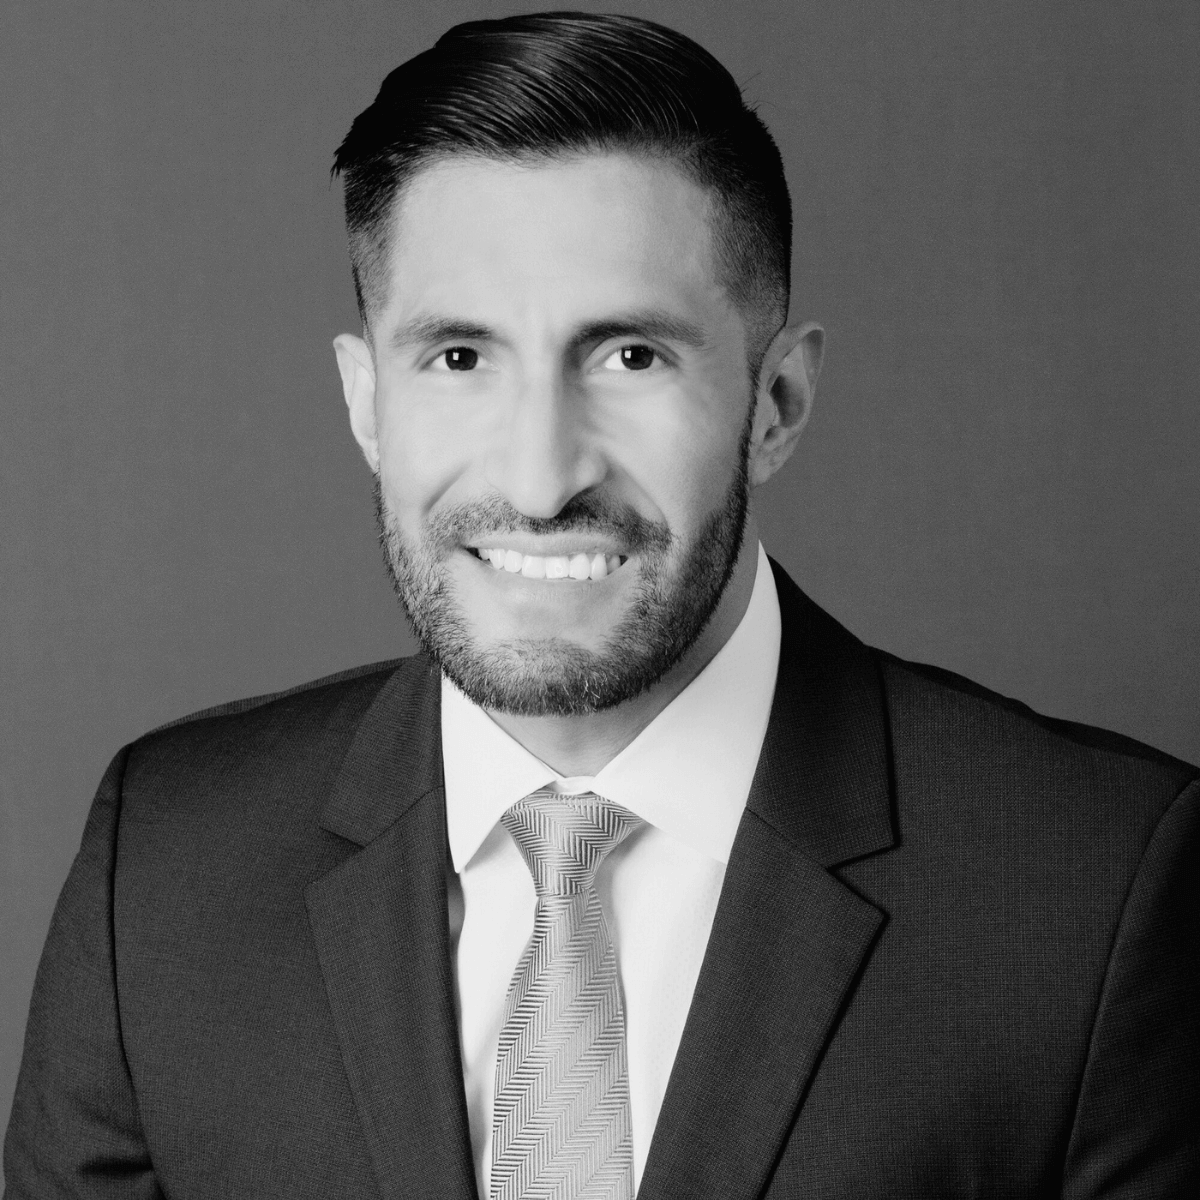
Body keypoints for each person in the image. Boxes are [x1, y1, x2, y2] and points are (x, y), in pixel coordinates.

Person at [5, 11, 1198, 1199]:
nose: (539, 476)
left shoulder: (1096, 888)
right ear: (367, 402)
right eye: (460, 358)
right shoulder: (160, 870)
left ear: (775, 402)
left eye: (629, 356)